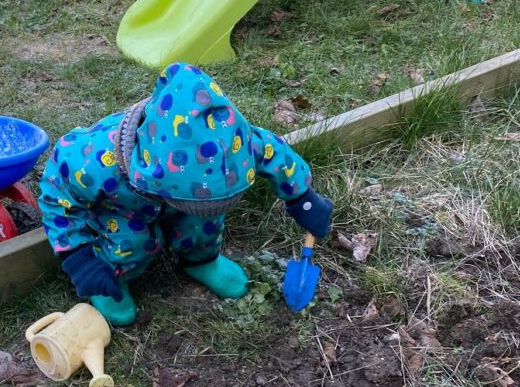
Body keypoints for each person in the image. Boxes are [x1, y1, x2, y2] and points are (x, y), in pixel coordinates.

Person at [39, 62, 334, 326]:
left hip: (174, 200)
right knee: (132, 241)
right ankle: (115, 278)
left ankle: (201, 260)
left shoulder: (236, 143)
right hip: (122, 207)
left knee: (203, 224)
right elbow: (57, 196)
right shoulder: (91, 162)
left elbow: (275, 153)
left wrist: (302, 198)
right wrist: (79, 258)